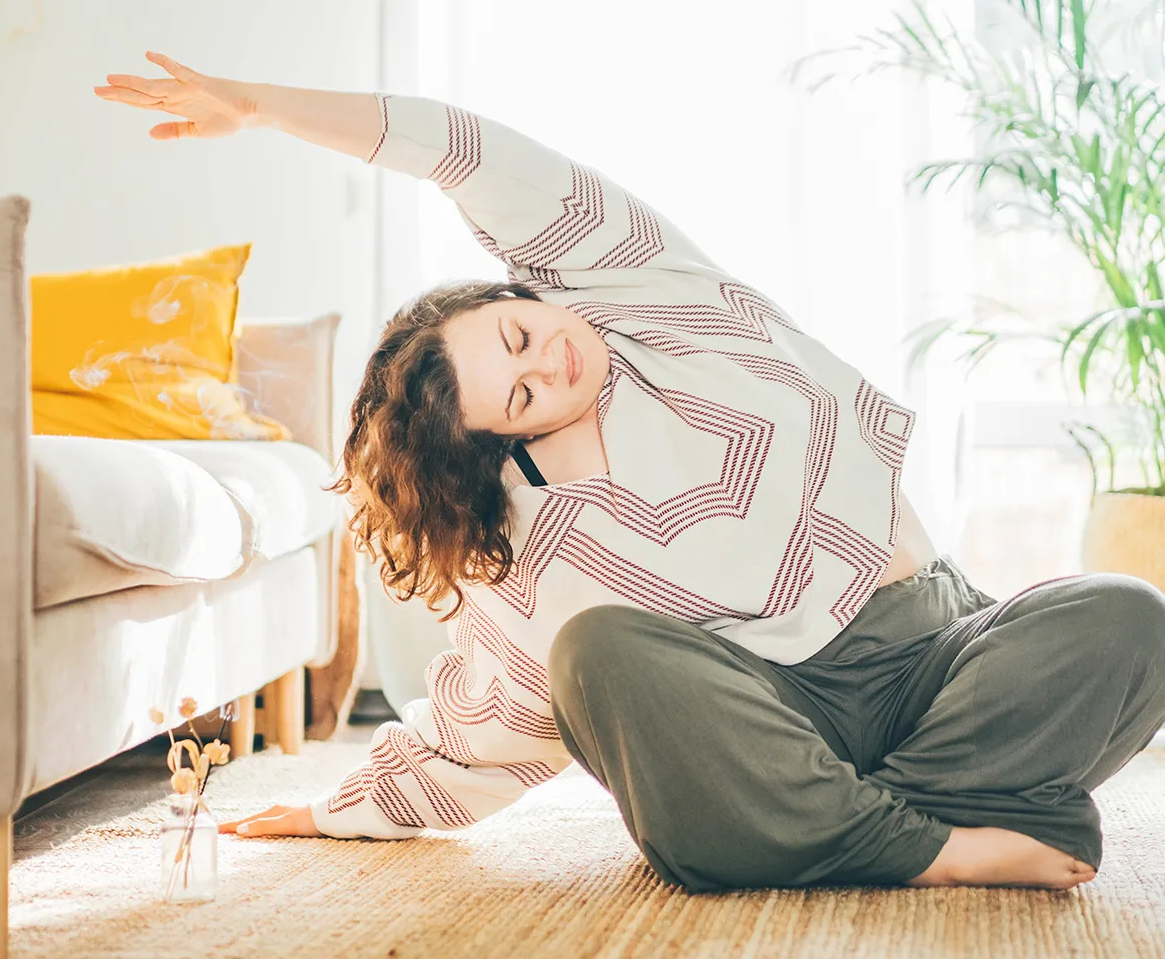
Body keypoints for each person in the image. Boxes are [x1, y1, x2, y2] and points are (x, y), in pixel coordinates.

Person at [95, 51, 1165, 892]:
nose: (546, 362)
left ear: (513, 293)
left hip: (936, 658)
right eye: (517, 397)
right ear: (500, 445)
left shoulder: (640, 291)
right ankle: (947, 845)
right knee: (598, 652)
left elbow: (467, 153)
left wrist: (269, 107)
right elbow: (483, 725)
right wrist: (337, 808)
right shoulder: (533, 539)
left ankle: (830, 826)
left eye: (517, 334)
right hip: (772, 715)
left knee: (1125, 616)